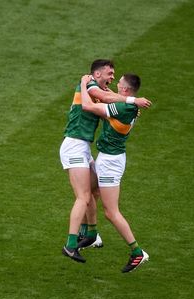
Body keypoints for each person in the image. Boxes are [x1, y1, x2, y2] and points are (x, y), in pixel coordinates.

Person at [60, 59, 152, 264]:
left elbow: (108, 98)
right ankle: (71, 244)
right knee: (84, 197)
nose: (112, 78)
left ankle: (91, 234)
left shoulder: (104, 94)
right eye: (110, 74)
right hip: (75, 145)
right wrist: (132, 100)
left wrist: (131, 101)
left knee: (93, 193)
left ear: (126, 89)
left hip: (95, 152)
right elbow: (100, 98)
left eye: (115, 77)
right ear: (97, 74)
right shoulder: (90, 84)